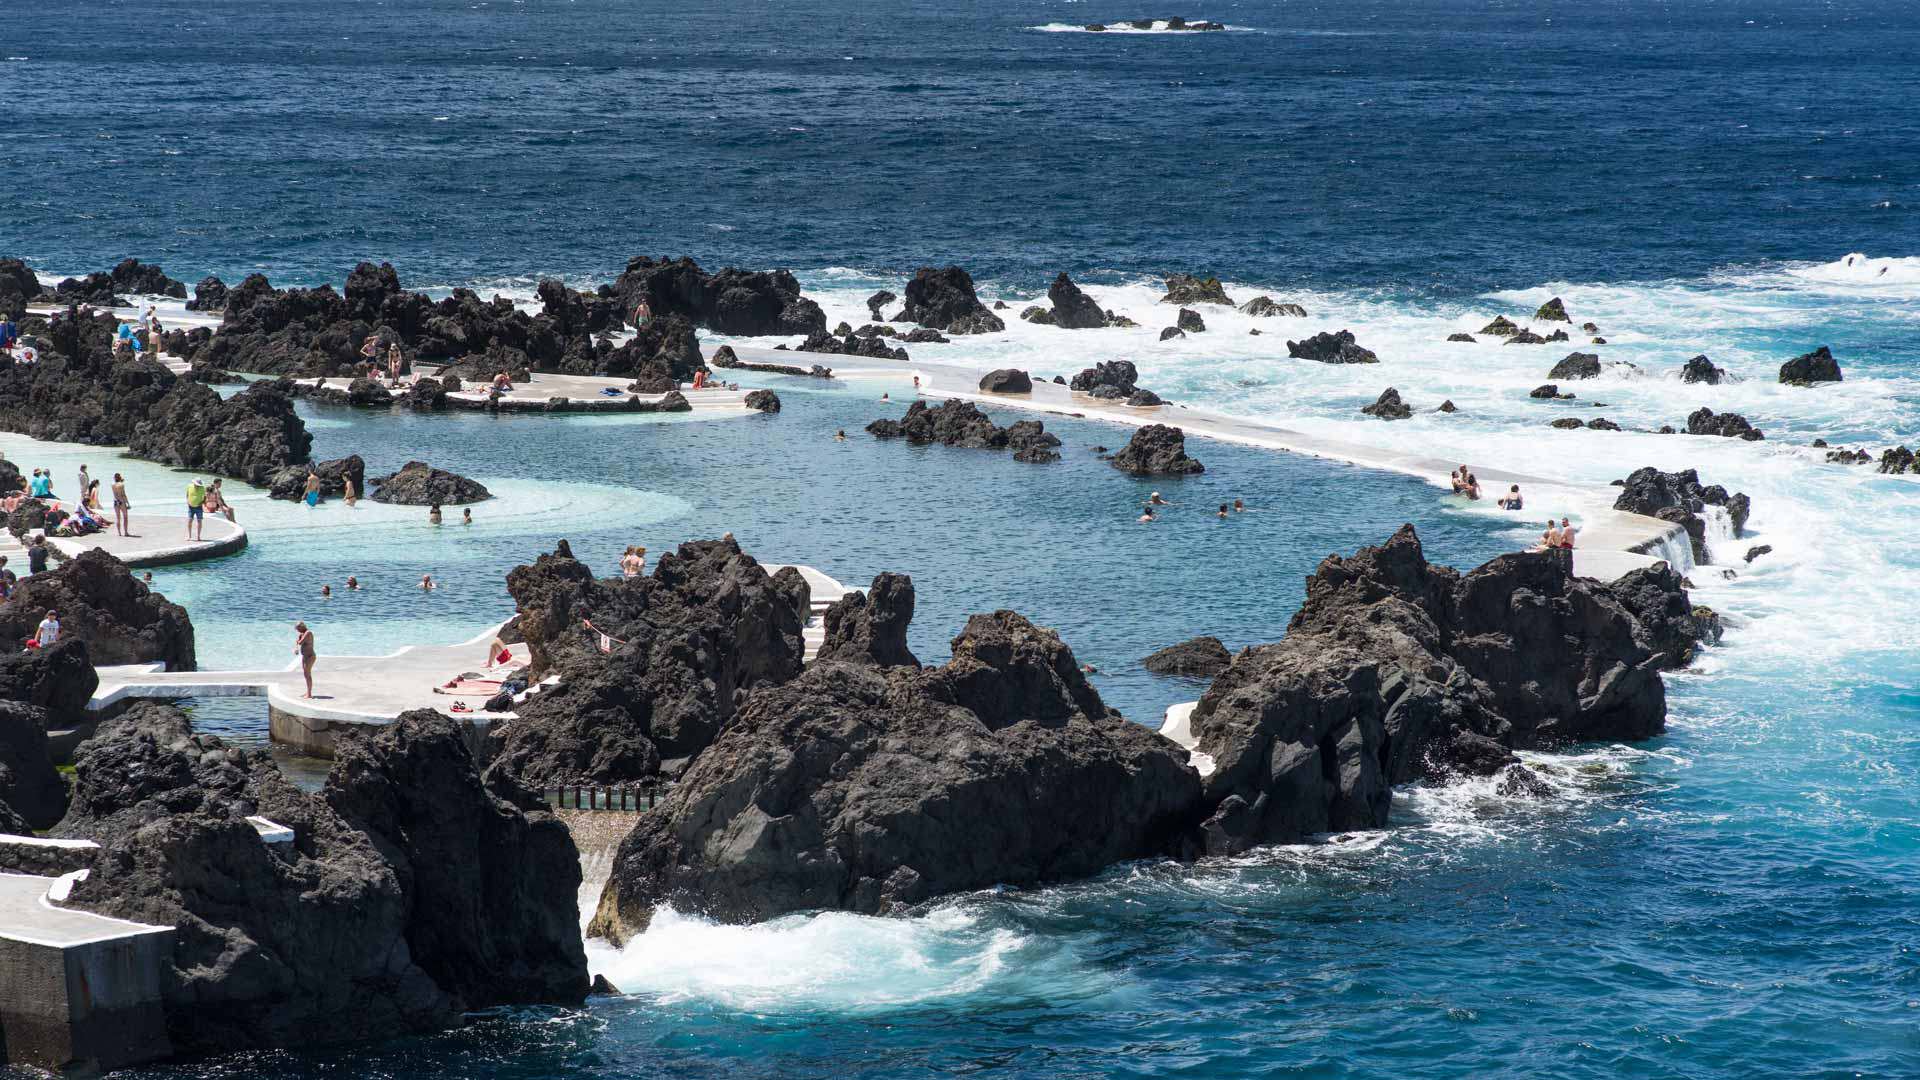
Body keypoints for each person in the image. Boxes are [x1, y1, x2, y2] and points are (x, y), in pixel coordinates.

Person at [293, 621, 316, 698]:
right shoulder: (302, 634)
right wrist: (296, 649)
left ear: (302, 627)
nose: (298, 631)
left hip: (310, 656)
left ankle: (309, 694)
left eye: (298, 629)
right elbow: (297, 643)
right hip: (305, 656)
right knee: (305, 675)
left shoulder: (308, 633)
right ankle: (307, 692)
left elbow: (300, 642)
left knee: (307, 674)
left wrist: (297, 642)